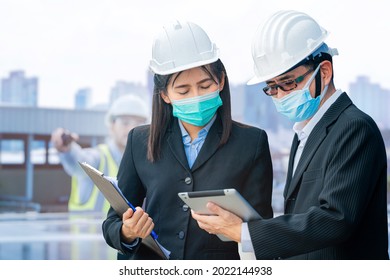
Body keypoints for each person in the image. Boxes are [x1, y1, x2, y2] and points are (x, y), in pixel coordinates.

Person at [192, 10, 389, 260]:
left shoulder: (354, 128)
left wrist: (244, 232)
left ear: (324, 72)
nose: (280, 95)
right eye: (272, 87)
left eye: (287, 83)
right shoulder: (304, 133)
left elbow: (336, 219)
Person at [102, 20, 273, 260]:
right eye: (183, 91)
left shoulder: (251, 143)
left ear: (221, 81)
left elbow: (264, 228)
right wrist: (127, 231)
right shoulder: (139, 141)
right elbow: (112, 223)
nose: (196, 97)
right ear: (165, 95)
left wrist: (239, 229)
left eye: (205, 86)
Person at [51, 94, 149, 212]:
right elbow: (79, 163)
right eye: (125, 123)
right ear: (112, 125)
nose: (132, 128)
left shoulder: (146, 165)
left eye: (139, 124)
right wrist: (67, 149)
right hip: (88, 230)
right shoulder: (99, 158)